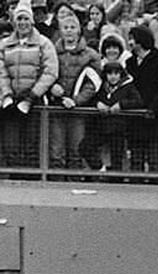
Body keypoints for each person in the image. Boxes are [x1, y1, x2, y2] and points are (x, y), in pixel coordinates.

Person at [0, 0, 59, 169]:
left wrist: (32, 96)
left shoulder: (44, 43)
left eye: (26, 19)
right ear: (14, 21)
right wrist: (7, 95)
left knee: (33, 146)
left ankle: (32, 182)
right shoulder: (4, 45)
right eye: (19, 19)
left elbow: (50, 71)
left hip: (35, 102)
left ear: (31, 20)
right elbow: (1, 72)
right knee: (11, 147)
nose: (22, 23)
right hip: (11, 102)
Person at [47, 9, 101, 173]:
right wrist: (52, 87)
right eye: (66, 27)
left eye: (72, 27)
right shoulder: (52, 53)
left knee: (76, 151)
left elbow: (93, 83)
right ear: (61, 31)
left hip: (78, 110)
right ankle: (56, 188)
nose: (69, 30)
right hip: (56, 108)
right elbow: (45, 73)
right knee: (56, 152)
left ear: (79, 30)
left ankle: (74, 185)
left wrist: (76, 100)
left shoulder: (91, 55)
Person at [79, 57, 142, 173]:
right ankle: (100, 167)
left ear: (121, 74)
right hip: (101, 127)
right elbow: (91, 99)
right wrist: (97, 104)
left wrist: (121, 105)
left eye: (116, 73)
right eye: (110, 73)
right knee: (84, 147)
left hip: (119, 129)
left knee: (117, 158)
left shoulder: (128, 86)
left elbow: (138, 101)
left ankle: (116, 183)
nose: (113, 76)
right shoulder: (101, 87)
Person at [126, 23, 158, 175]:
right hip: (135, 119)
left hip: (156, 119)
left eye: (132, 39)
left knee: (155, 160)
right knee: (136, 159)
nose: (130, 42)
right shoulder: (130, 63)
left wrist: (153, 109)